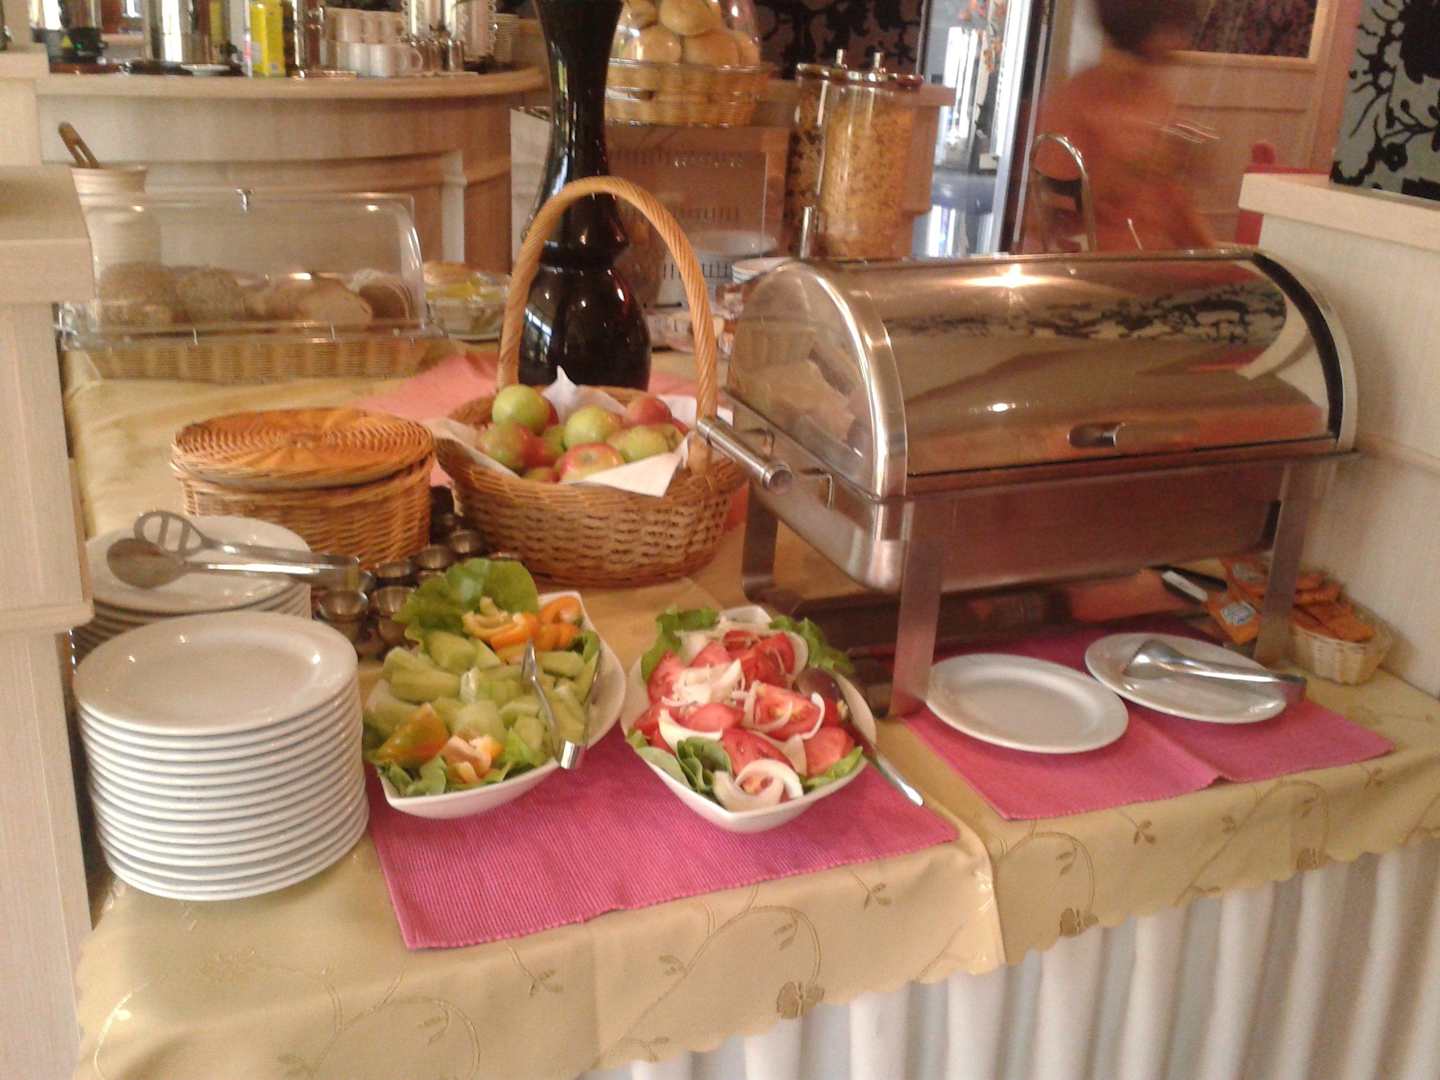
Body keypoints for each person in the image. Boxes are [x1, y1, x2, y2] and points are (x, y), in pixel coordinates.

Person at [1024, 0, 1216, 252]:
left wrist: (1218, 258)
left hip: (1152, 261)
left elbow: (1175, 203)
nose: (1183, 42)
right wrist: (1121, 173)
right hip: (1101, 264)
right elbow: (1049, 219)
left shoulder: (1155, 95)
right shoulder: (1077, 101)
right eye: (1174, 27)